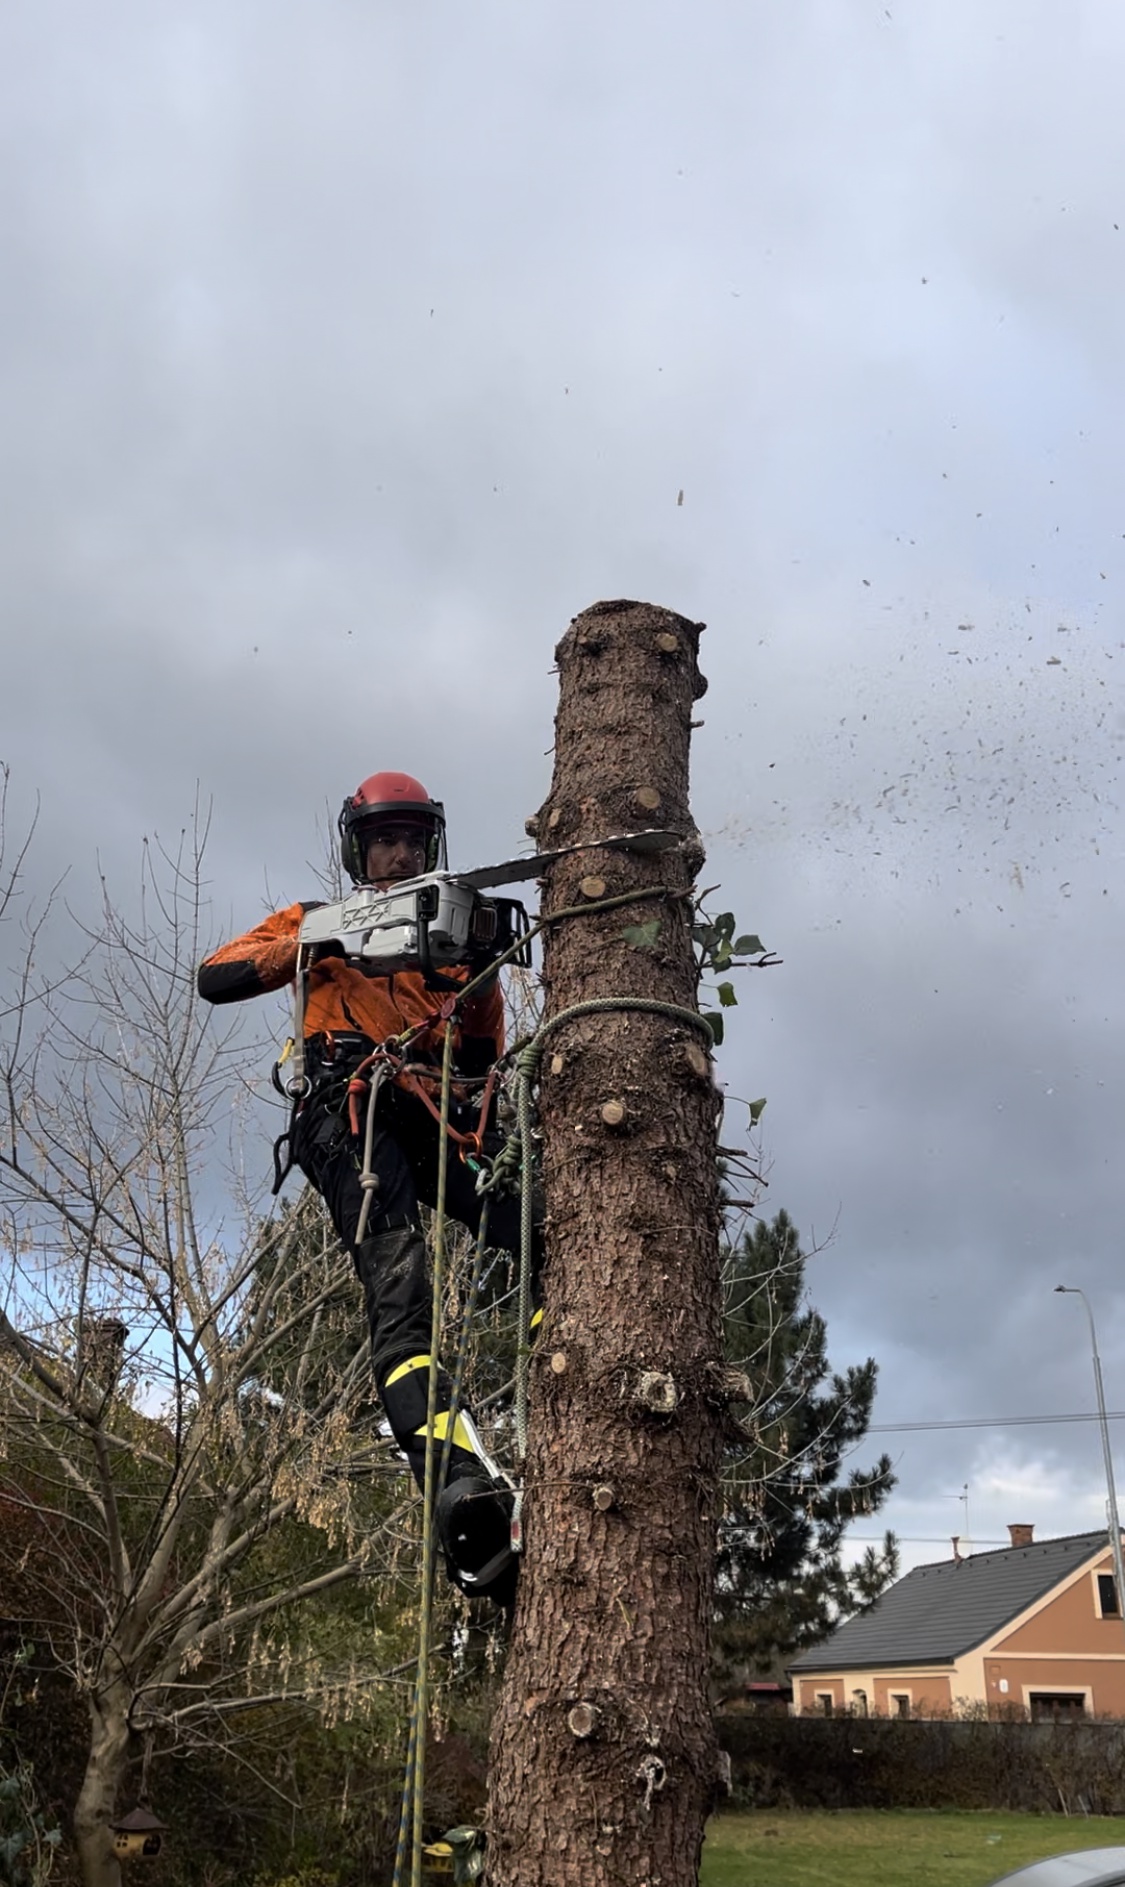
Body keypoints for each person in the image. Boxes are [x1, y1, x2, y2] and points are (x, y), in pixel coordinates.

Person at [197, 770, 521, 1603]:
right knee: (399, 1280)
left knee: (533, 1223)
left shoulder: (444, 937)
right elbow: (217, 974)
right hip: (349, 1107)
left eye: (412, 838)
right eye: (385, 839)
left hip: (432, 1104)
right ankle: (455, 1484)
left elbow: (482, 1059)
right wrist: (318, 942)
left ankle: (578, 1366)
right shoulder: (313, 923)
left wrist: (480, 967)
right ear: (359, 849)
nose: (400, 851)